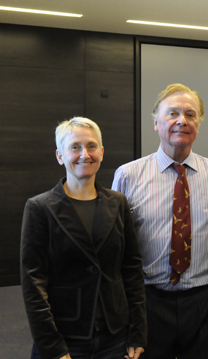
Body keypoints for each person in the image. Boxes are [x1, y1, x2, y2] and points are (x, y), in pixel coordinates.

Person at [112, 84, 208, 359]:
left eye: (191, 114)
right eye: (172, 113)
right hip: (148, 302)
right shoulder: (128, 175)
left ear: (199, 124)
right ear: (156, 123)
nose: (182, 120)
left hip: (204, 301)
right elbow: (116, 246)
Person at [21, 117, 146, 359]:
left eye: (91, 146)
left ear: (101, 151)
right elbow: (33, 283)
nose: (84, 154)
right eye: (75, 147)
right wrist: (52, 348)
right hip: (65, 337)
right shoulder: (40, 207)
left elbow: (131, 270)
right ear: (60, 156)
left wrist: (138, 332)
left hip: (115, 335)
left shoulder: (118, 203)